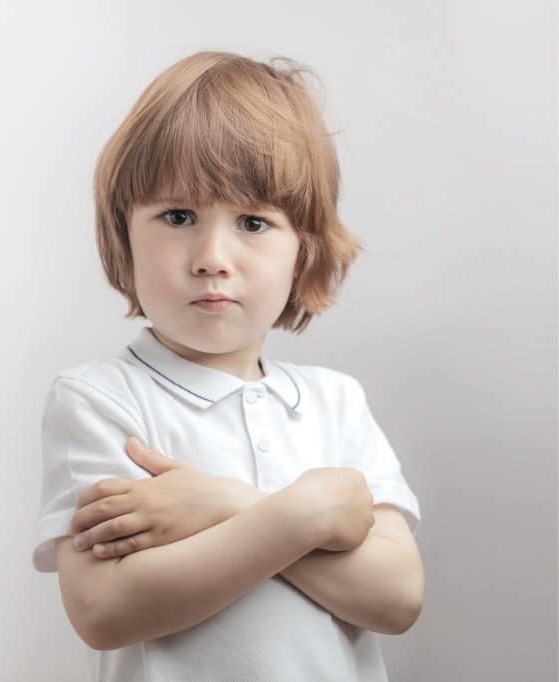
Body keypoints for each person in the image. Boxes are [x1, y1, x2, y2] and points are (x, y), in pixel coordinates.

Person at [31, 51, 424, 682]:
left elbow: (398, 597)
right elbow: (105, 609)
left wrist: (225, 503)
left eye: (253, 222)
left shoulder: (336, 402)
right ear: (122, 236)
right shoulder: (102, 399)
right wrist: (304, 515)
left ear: (303, 253)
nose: (213, 257)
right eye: (179, 217)